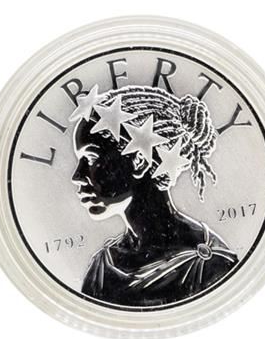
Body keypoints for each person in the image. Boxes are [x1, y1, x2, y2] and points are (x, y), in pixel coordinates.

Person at [69, 84, 236, 306]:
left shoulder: (211, 264)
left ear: (139, 161)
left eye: (91, 159)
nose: (77, 177)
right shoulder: (102, 265)